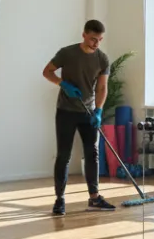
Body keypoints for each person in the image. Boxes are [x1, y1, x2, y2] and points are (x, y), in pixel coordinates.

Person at [42, 19, 116, 215]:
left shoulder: (102, 59)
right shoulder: (67, 53)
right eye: (93, 39)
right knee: (63, 155)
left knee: (92, 153)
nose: (96, 43)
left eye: (100, 40)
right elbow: (47, 71)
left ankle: (94, 198)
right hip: (66, 111)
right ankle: (59, 200)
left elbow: (102, 87)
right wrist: (62, 83)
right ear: (83, 34)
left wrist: (98, 111)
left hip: (88, 112)